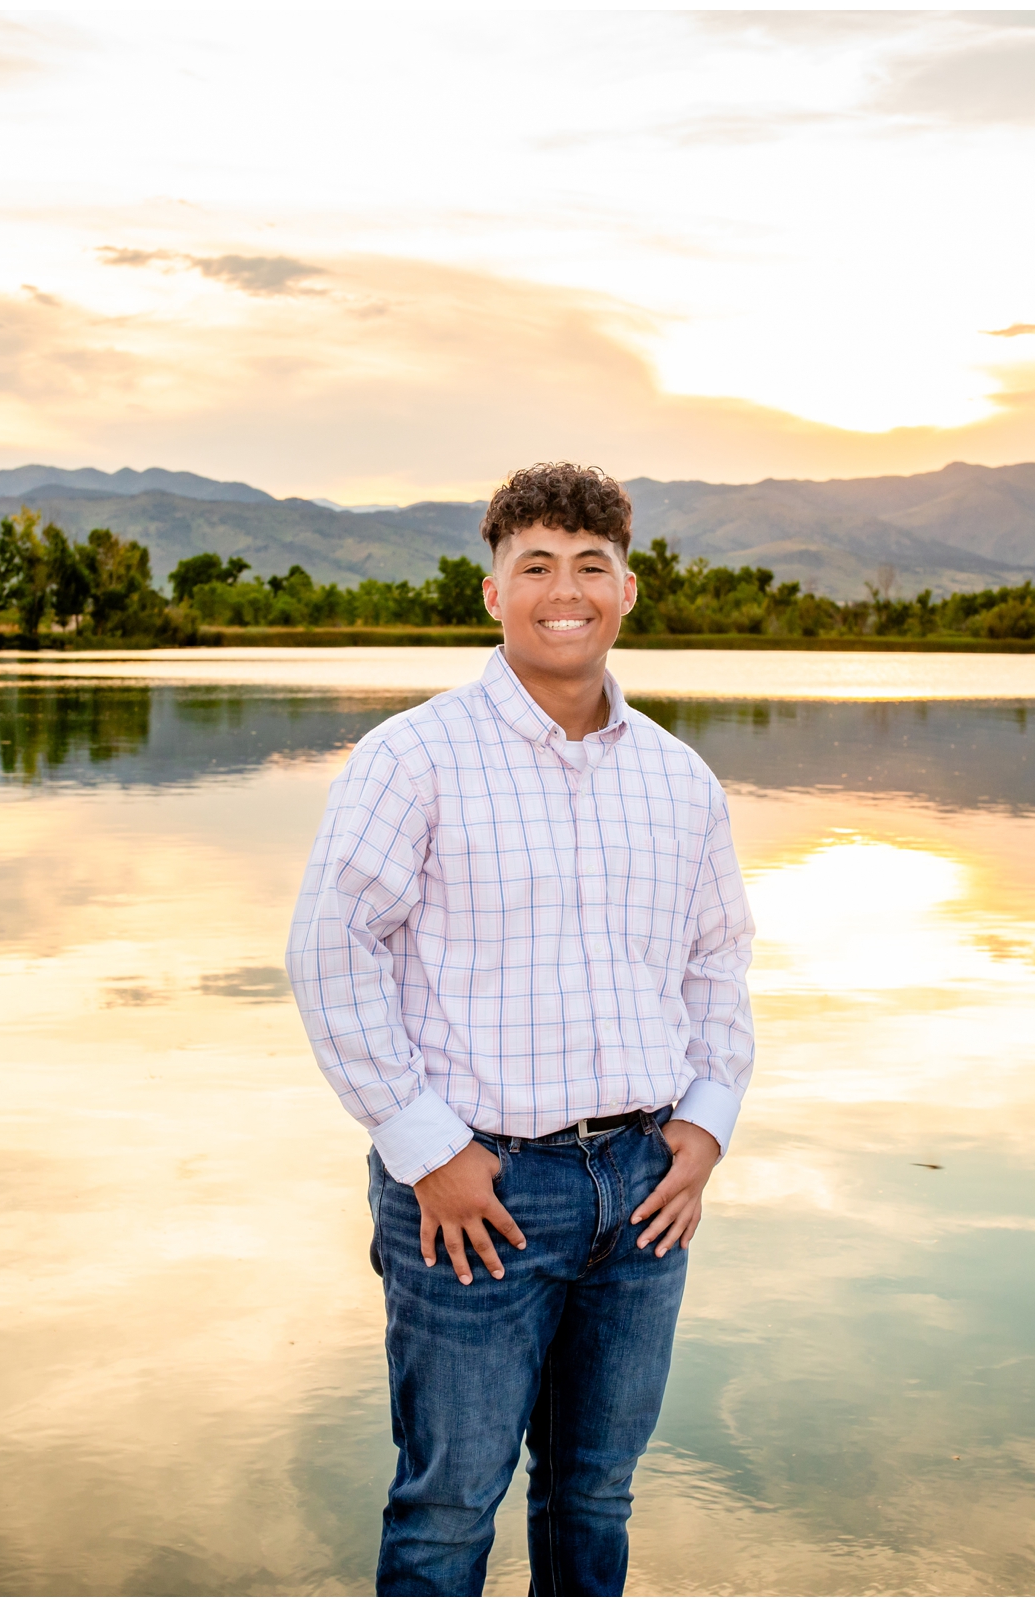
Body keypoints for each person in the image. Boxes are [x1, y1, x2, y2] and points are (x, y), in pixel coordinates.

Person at [286, 462, 757, 1597]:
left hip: (642, 1189)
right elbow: (329, 953)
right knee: (450, 1505)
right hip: (478, 1191)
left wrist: (704, 1128)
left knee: (595, 1493)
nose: (564, 588)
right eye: (535, 564)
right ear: (493, 592)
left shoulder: (679, 779)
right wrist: (429, 1149)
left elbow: (717, 963)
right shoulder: (415, 757)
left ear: (628, 591)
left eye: (590, 565)